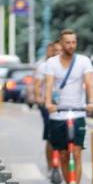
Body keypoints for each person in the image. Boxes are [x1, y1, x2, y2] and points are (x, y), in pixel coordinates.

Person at [43, 30, 93, 184]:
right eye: (67, 42)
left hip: (78, 112)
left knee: (77, 152)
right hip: (58, 114)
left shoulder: (83, 61)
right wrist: (48, 102)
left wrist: (91, 102)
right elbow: (49, 85)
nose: (71, 46)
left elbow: (89, 83)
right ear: (61, 43)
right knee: (64, 155)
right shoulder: (51, 63)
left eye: (73, 42)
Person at [34, 41, 62, 173]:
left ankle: (62, 163)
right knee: (50, 135)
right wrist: (39, 98)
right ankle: (51, 166)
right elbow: (37, 85)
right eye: (52, 51)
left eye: (57, 51)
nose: (54, 53)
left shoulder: (64, 65)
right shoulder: (43, 66)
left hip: (62, 104)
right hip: (47, 104)